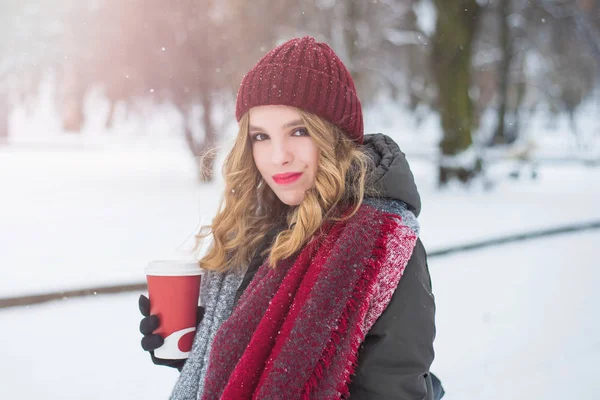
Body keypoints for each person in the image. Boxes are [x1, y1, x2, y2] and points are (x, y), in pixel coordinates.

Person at [139, 36, 444, 400]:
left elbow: (393, 389)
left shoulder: (381, 248)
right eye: (261, 136)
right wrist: (199, 348)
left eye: (298, 131)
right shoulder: (251, 229)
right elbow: (245, 370)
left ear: (334, 137)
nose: (278, 155)